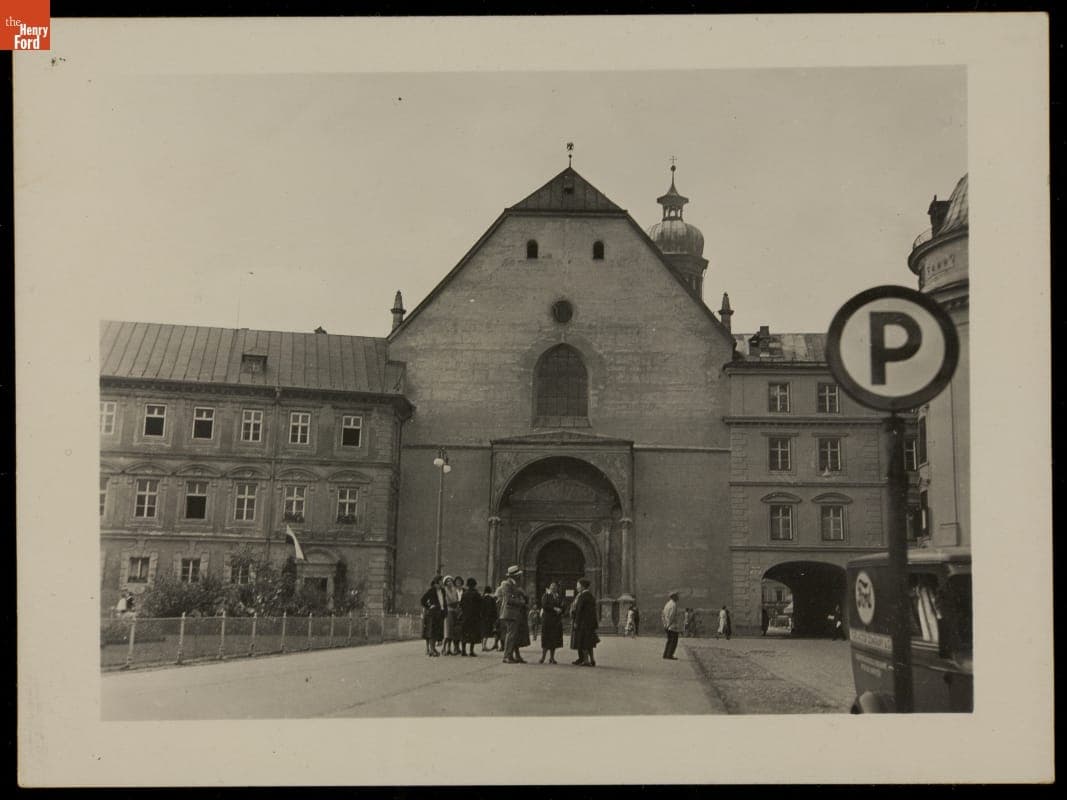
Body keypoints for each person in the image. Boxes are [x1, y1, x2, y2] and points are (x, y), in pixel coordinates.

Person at [495, 565, 527, 664]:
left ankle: (514, 656)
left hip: (515, 613)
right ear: (514, 576)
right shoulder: (506, 584)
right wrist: (521, 601)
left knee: (514, 635)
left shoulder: (515, 585)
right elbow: (508, 599)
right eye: (518, 575)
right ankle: (507, 656)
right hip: (509, 613)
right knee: (511, 635)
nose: (520, 576)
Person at [570, 578, 599, 666]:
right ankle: (591, 659)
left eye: (578, 586)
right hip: (590, 623)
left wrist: (576, 622)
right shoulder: (590, 595)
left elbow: (579, 610)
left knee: (583, 641)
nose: (576, 587)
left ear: (582, 586)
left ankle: (586, 661)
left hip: (583, 623)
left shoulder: (582, 596)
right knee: (589, 641)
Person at [419, 575, 446, 657]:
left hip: (440, 613)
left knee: (437, 632)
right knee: (432, 632)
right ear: (437, 582)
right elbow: (423, 600)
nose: (442, 583)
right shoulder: (431, 590)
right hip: (433, 613)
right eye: (441, 581)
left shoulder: (443, 591)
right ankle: (432, 649)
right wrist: (429, 606)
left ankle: (433, 649)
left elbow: (443, 602)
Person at [539, 582, 564, 664]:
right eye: (552, 587)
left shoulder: (558, 596)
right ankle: (543, 657)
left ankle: (552, 658)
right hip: (547, 620)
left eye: (555, 587)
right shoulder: (546, 595)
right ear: (549, 587)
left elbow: (563, 605)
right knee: (546, 639)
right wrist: (554, 609)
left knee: (554, 640)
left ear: (557, 588)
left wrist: (561, 610)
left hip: (556, 621)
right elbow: (544, 605)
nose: (553, 588)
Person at [459, 577, 482, 656]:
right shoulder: (476, 594)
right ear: (474, 585)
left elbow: (461, 604)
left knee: (464, 633)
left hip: (465, 616)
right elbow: (481, 605)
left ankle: (463, 650)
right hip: (474, 617)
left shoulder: (464, 594)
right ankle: (471, 651)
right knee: (473, 633)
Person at [442, 576, 461, 655]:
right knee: (447, 631)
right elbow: (446, 601)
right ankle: (444, 648)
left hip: (454, 611)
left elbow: (456, 599)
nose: (449, 583)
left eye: (450, 581)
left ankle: (451, 649)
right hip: (448, 611)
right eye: (447, 581)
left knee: (453, 631)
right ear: (445, 583)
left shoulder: (454, 590)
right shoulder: (444, 591)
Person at [662, 592, 681, 659]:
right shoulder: (673, 605)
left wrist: (665, 624)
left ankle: (665, 654)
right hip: (672, 626)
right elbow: (671, 616)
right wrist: (668, 624)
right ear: (674, 597)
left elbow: (663, 615)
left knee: (669, 641)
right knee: (673, 641)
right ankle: (669, 655)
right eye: (677, 596)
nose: (678, 597)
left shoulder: (667, 604)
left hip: (667, 625)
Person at [481, 586, 499, 651]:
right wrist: (495, 617)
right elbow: (494, 609)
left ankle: (483, 645)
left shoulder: (482, 598)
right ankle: (495, 644)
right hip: (491, 618)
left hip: (483, 618)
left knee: (484, 632)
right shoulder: (491, 599)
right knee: (494, 631)